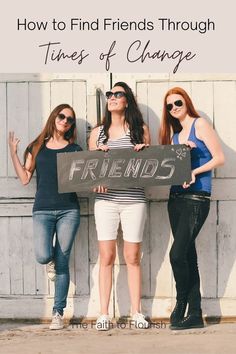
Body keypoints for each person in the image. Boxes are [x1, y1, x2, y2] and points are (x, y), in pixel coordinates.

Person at [8, 104, 82, 330]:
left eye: (70, 119)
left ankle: (57, 313)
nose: (65, 121)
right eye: (62, 116)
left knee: (62, 261)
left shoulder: (75, 149)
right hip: (42, 209)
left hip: (69, 210)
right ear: (54, 117)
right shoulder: (37, 147)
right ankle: (49, 263)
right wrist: (13, 153)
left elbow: (85, 178)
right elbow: (24, 178)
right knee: (43, 255)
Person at [159, 87, 225, 330]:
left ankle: (181, 301)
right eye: (169, 106)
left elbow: (219, 158)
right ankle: (195, 313)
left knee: (176, 254)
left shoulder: (200, 125)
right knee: (187, 255)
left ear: (186, 101)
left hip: (197, 197)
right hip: (175, 197)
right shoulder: (176, 135)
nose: (174, 107)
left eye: (178, 102)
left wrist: (194, 171)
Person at [89, 82, 151, 330]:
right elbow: (89, 172)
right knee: (107, 256)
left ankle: (137, 312)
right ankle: (103, 313)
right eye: (109, 94)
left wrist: (144, 152)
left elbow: (151, 168)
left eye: (118, 94)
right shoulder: (97, 133)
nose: (112, 97)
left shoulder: (140, 130)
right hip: (105, 202)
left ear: (127, 101)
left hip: (133, 200)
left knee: (132, 256)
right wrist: (98, 164)